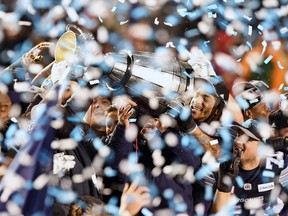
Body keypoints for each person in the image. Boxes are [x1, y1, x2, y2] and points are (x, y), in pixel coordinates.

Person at [212, 119, 288, 215]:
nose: (239, 141)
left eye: (247, 139)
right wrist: (223, 188)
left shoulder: (279, 164)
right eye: (238, 135)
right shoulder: (222, 169)